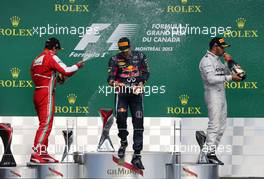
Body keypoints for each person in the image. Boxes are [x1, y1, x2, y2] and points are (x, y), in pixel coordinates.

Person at [30, 37, 84, 163]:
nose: (57, 52)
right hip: (46, 94)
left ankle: (43, 152)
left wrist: (57, 79)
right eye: (57, 49)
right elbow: (66, 71)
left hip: (38, 92)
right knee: (45, 125)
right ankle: (37, 152)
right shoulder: (51, 56)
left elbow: (41, 76)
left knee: (44, 124)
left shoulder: (36, 59)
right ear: (54, 48)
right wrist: (78, 66)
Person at [107, 37, 149, 169]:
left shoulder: (140, 56)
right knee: (120, 118)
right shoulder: (114, 59)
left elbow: (146, 73)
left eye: (126, 50)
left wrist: (141, 83)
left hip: (136, 94)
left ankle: (137, 155)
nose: (125, 53)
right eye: (122, 51)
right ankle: (123, 141)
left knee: (138, 120)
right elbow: (110, 79)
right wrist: (115, 83)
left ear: (130, 46)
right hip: (122, 94)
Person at [198, 37, 242, 165]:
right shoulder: (206, 60)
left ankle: (208, 148)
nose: (224, 50)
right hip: (212, 95)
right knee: (215, 125)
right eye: (222, 47)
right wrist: (230, 77)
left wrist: (230, 62)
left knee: (221, 127)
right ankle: (209, 153)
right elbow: (211, 79)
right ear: (215, 47)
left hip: (221, 95)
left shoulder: (218, 61)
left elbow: (230, 73)